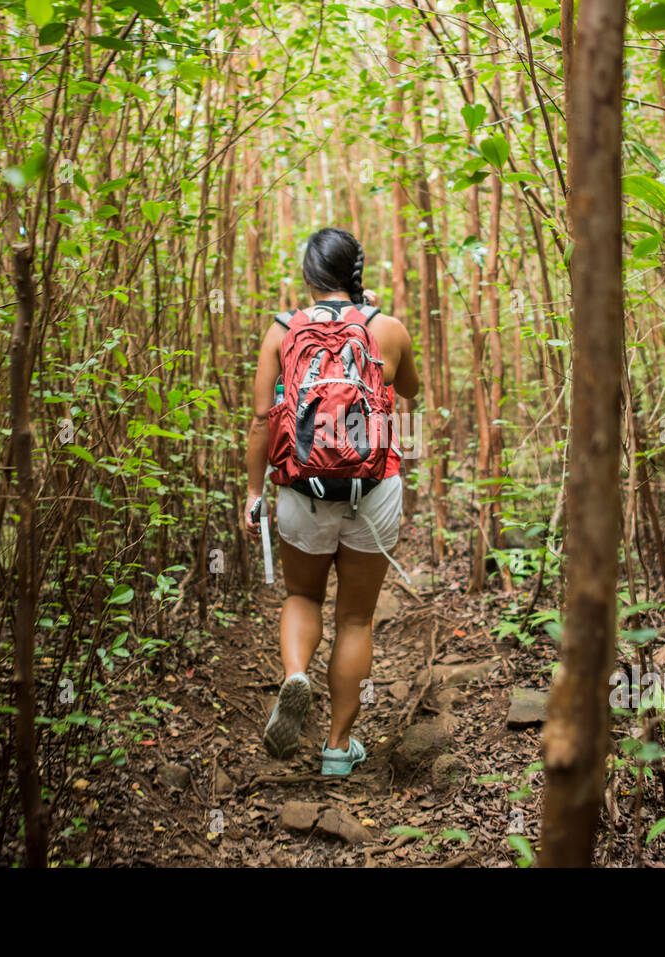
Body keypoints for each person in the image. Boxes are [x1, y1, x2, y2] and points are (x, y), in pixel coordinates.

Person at [243, 227, 420, 776]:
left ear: (307, 274)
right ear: (356, 271)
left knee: (301, 595)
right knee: (356, 620)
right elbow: (411, 392)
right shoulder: (387, 329)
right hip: (373, 489)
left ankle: (296, 674)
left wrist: (253, 493)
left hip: (301, 488)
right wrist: (376, 324)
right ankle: (339, 749)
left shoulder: (281, 331)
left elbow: (259, 421)